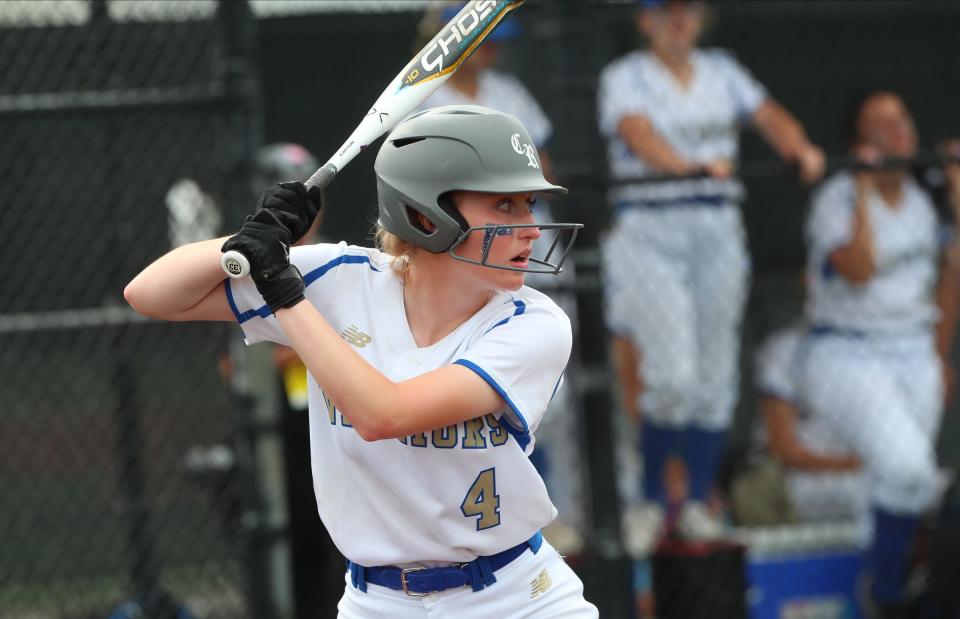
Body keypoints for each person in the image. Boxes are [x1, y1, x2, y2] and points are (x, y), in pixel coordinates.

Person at [124, 105, 597, 618]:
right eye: (505, 205)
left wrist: (285, 296)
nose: (530, 227)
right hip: (378, 603)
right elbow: (150, 294)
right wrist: (246, 243)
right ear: (425, 216)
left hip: (514, 597)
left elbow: (383, 416)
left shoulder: (534, 323)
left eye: (527, 204)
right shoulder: (341, 277)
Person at [596, 0, 826, 556]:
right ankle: (651, 501)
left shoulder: (722, 69)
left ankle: (698, 502)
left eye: (688, 10)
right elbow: (637, 134)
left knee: (716, 380)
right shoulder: (625, 75)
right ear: (645, 20)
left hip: (717, 226)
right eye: (666, 11)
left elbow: (769, 115)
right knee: (671, 378)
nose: (679, 20)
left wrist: (800, 148)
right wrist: (687, 166)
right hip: (652, 227)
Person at [417, 1, 585, 555]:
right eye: (479, 39)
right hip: (462, 251)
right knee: (479, 387)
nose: (490, 49)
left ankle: (544, 507)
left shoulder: (509, 92)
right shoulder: (424, 99)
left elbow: (540, 171)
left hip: (520, 241)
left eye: (495, 39)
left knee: (549, 392)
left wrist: (523, 209)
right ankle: (498, 516)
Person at [801, 90, 960, 618]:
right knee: (910, 470)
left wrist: (938, 358)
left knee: (900, 487)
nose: (897, 132)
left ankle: (883, 590)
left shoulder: (924, 195)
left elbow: (953, 272)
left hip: (916, 350)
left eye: (902, 120)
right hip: (850, 353)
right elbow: (860, 268)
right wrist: (865, 186)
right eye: (881, 125)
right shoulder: (838, 197)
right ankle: (888, 596)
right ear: (858, 143)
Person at [733, 320, 868, 536]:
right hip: (794, 479)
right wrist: (852, 464)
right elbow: (784, 449)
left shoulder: (875, 349)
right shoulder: (786, 346)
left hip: (856, 478)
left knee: (922, 487)